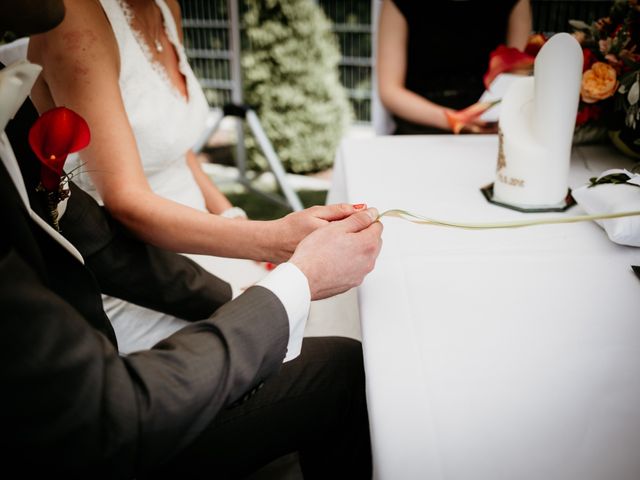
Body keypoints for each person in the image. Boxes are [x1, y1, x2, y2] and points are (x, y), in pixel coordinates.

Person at [0, 2, 383, 477]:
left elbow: (97, 239)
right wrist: (293, 276)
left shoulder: (9, 103)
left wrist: (243, 285)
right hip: (105, 395)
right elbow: (108, 411)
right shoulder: (72, 20)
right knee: (342, 364)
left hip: (167, 277)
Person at [27, 0, 363, 353]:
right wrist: (270, 238)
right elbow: (127, 201)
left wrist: (235, 218)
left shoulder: (166, 7)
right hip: (143, 276)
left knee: (347, 306)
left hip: (210, 240)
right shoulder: (75, 17)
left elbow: (177, 146)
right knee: (325, 344)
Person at [376, 0, 532, 134]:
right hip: (419, 129)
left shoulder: (517, 3)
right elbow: (390, 90)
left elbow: (517, 78)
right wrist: (453, 120)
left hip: (489, 130)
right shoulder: (396, 3)